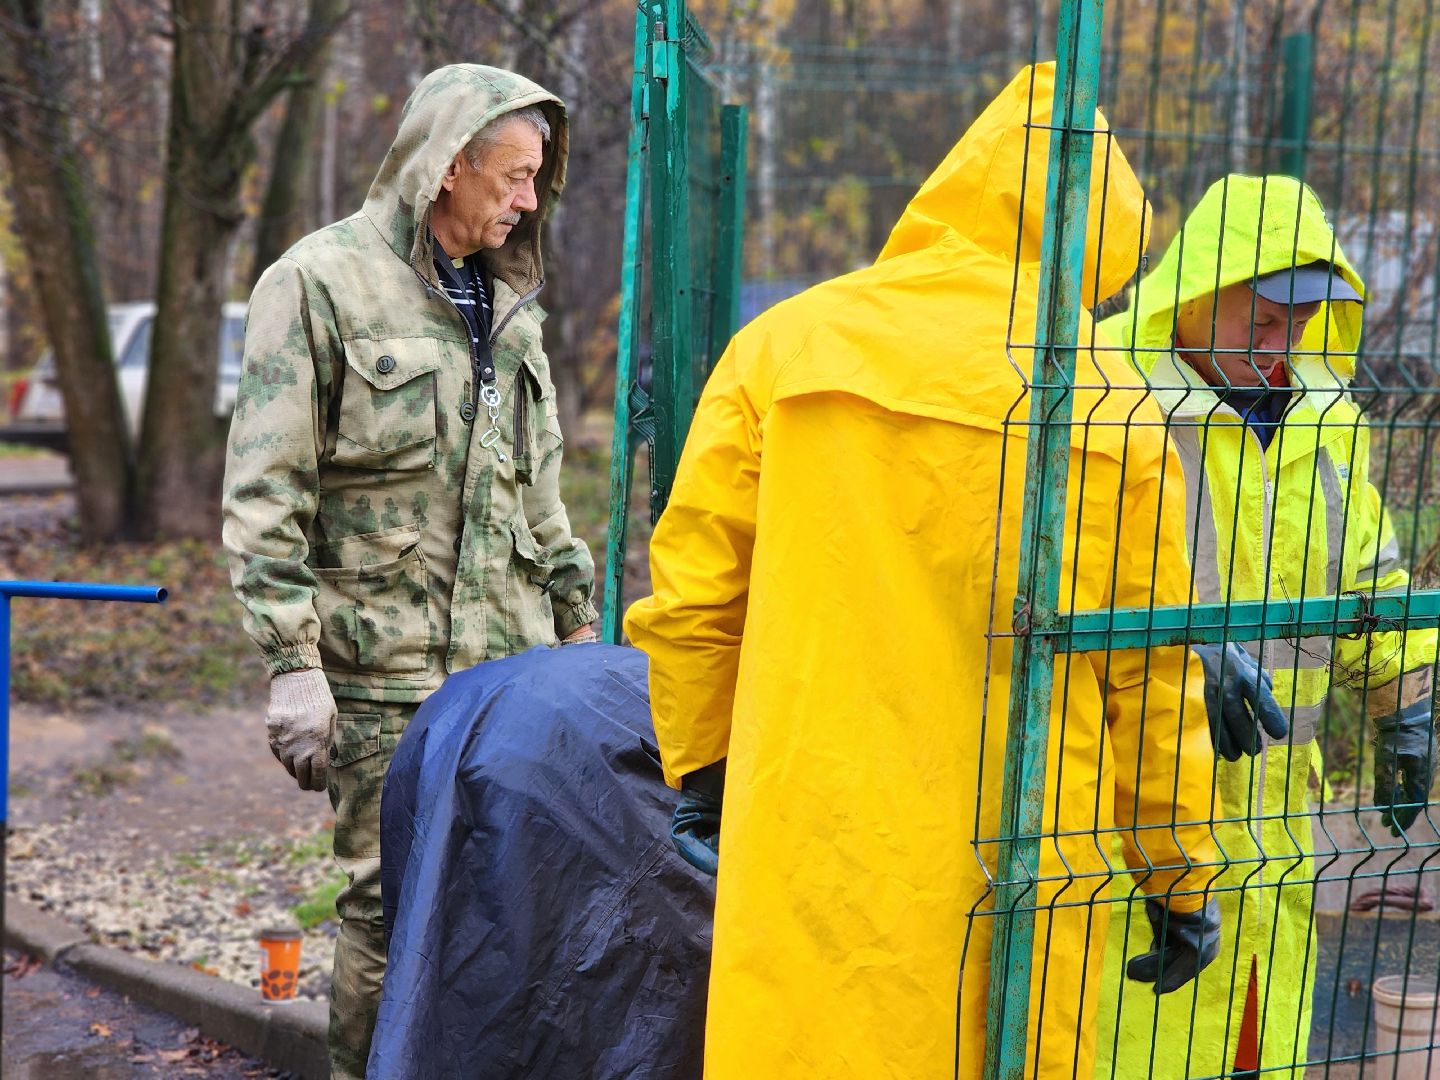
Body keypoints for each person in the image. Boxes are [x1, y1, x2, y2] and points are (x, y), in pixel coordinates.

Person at [624, 63, 1221, 1078]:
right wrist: (1178, 875)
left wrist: (707, 771)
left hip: (814, 828)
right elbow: (1149, 668)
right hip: (1024, 853)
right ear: (1100, 240)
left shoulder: (785, 347)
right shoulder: (1111, 402)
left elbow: (693, 595)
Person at [221, 65, 597, 1078]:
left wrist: (577, 625)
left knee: (504, 908)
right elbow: (266, 492)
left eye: (537, 179)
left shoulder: (511, 302)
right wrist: (292, 664)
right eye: (513, 176)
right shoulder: (318, 284)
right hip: (385, 676)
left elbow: (538, 488)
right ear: (446, 167)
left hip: (511, 671)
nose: (529, 200)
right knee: (391, 915)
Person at [1095, 173, 1439, 1078]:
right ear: (1195, 292)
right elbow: (1056, 591)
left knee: (1258, 1035)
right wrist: (1179, 652)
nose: (1281, 345)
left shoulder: (1326, 418)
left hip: (1278, 812)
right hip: (1131, 802)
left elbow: (1370, 575)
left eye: (1300, 322)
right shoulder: (1106, 400)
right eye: (1263, 318)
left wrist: (1404, 704)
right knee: (1126, 1040)